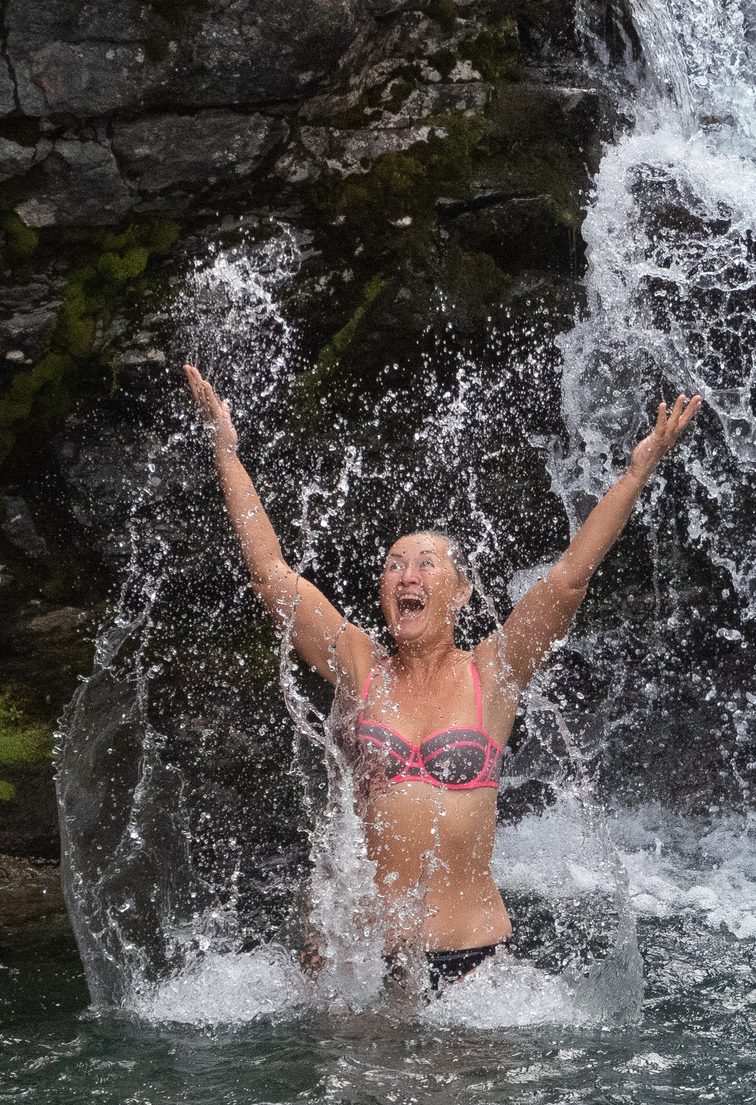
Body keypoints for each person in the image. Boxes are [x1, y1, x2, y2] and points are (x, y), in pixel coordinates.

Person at [184, 363, 702, 986]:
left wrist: (638, 468)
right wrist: (227, 453)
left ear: (458, 595)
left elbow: (569, 578)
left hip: (475, 967)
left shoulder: (495, 670)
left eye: (427, 566)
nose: (407, 576)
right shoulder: (357, 663)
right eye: (394, 565)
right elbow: (272, 575)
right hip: (365, 969)